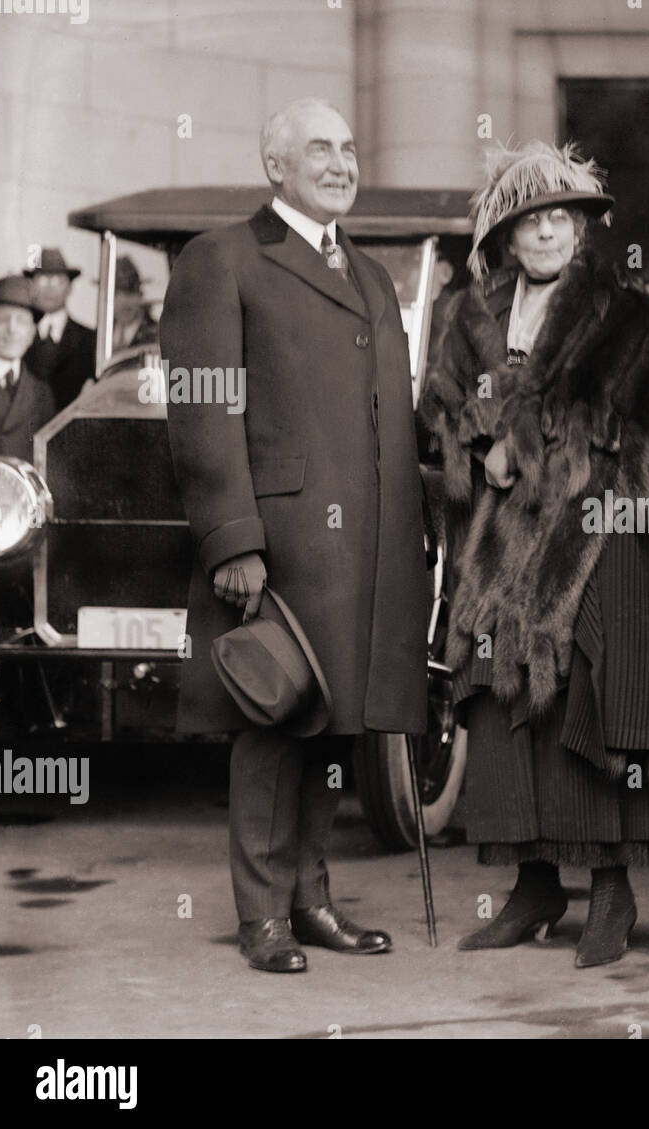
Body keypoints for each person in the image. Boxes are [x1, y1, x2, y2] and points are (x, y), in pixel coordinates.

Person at [161, 97, 429, 974]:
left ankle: (312, 899)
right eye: (320, 148)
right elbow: (203, 409)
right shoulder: (223, 259)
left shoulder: (373, 275)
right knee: (271, 724)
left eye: (349, 148)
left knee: (335, 728)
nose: (341, 162)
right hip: (276, 549)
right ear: (275, 165)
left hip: (362, 553)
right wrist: (231, 537)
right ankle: (261, 916)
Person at [422, 140, 649, 969]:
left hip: (587, 533)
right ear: (507, 235)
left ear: (582, 229)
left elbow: (621, 421)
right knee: (498, 705)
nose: (548, 234)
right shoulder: (469, 314)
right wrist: (477, 437)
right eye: (532, 223)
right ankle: (534, 887)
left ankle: (611, 891)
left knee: (582, 701)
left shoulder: (626, 313)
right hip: (493, 544)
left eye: (562, 219)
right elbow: (443, 408)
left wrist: (521, 444)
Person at [0, 274, 55, 459]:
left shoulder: (42, 394)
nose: (12, 329)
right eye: (2, 319)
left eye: (22, 321)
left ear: (32, 333)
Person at [24, 248, 95, 411]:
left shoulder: (91, 339)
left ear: (70, 287)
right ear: (31, 286)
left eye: (58, 281)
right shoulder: (15, 337)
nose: (50, 288)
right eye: (42, 280)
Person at [111, 257, 159, 350]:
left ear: (141, 295)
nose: (123, 301)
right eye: (115, 294)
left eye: (130, 292)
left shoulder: (159, 335)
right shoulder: (100, 335)